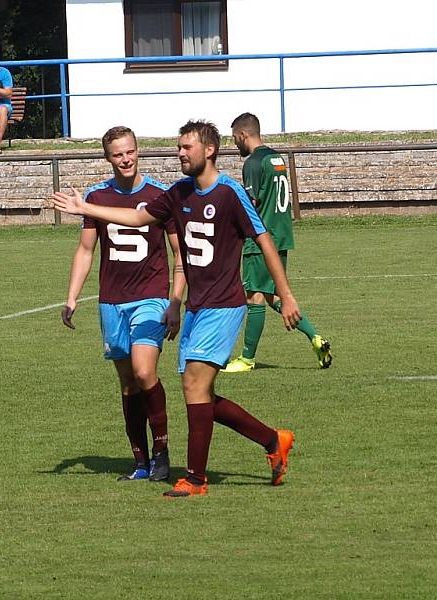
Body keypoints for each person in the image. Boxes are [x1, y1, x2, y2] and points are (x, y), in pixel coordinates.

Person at [53, 120, 301, 498]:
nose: (180, 153)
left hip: (224, 304)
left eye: (187, 147)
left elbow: (264, 241)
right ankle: (272, 440)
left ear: (210, 150)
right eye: (179, 146)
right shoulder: (178, 192)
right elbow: (137, 217)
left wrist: (286, 296)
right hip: (197, 307)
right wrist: (85, 207)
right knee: (200, 394)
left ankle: (195, 480)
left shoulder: (230, 192)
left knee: (192, 385)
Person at [62, 126, 186, 483]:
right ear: (108, 158)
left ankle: (162, 453)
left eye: (130, 151)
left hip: (151, 298)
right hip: (112, 302)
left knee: (145, 372)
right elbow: (86, 250)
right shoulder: (96, 196)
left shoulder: (160, 195)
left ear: (138, 151)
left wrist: (175, 301)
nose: (126, 159)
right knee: (129, 384)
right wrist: (71, 296)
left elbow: (180, 255)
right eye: (118, 154)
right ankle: (141, 462)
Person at [223, 112, 332, 372]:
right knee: (273, 295)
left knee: (254, 296)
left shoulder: (252, 163)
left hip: (262, 238)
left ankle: (247, 359)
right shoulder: (277, 158)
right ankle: (315, 337)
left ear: (243, 135)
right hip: (281, 235)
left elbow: (251, 205)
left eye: (234, 139)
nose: (235, 144)